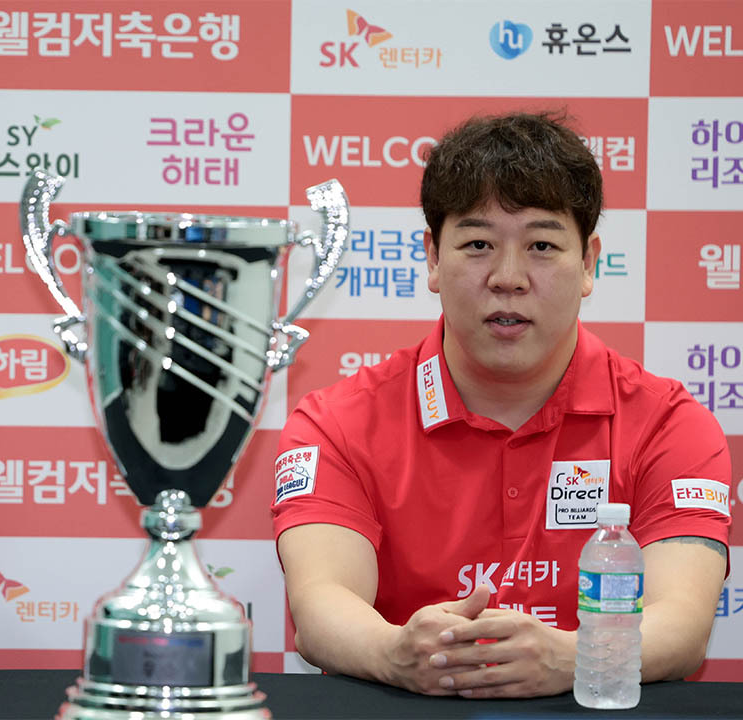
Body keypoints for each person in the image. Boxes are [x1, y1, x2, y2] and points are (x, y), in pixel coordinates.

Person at [272, 112, 730, 698]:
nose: (508, 277)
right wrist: (396, 653)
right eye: (478, 245)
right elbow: (321, 604)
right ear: (432, 258)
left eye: (541, 245)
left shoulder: (670, 424)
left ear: (589, 263)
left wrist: (568, 657)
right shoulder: (335, 423)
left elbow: (683, 624)